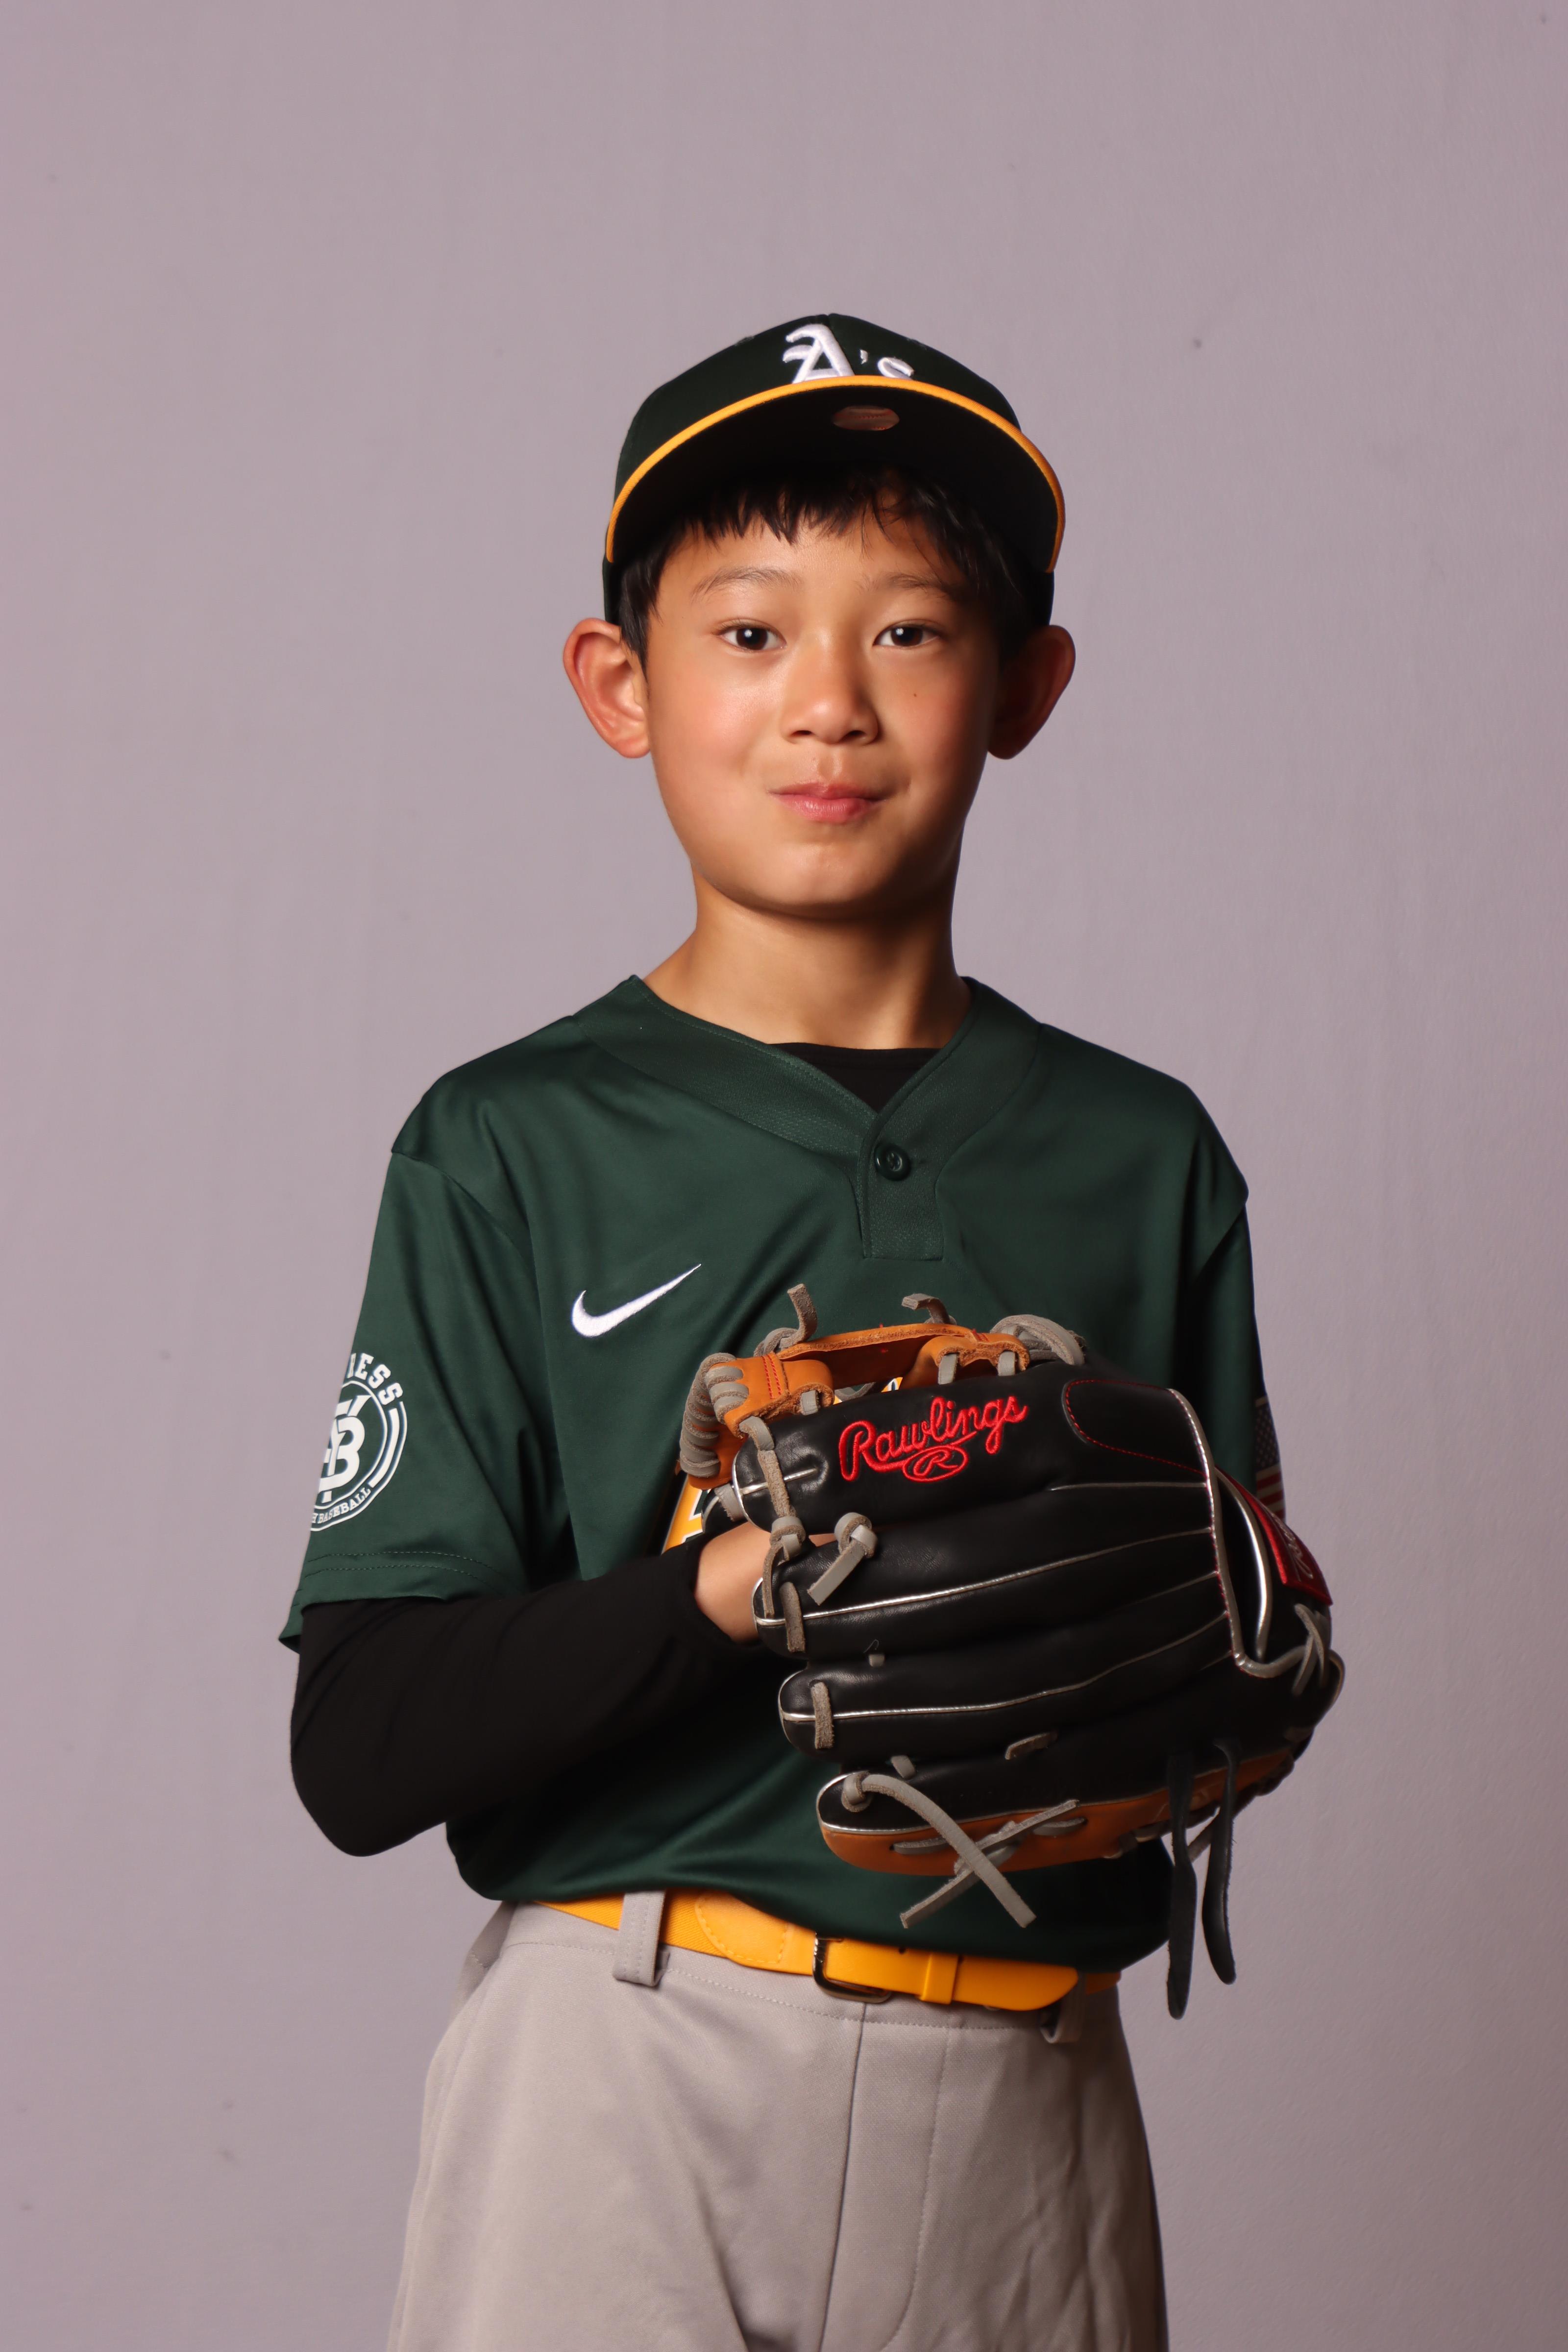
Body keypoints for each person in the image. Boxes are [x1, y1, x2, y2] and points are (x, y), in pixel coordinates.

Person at [286, 313, 1285, 2352]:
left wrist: (1232, 1668)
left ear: (1024, 687)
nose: (828, 699)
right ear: (620, 685)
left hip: (1028, 2089)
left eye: (909, 631)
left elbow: (1227, 1644)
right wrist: (754, 1580)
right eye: (747, 632)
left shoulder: (1139, 1154)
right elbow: (364, 1744)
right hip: (628, 2053)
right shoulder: (512, 1143)